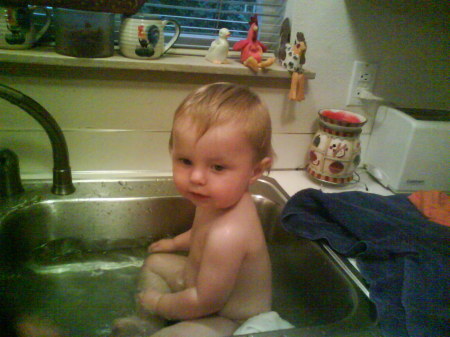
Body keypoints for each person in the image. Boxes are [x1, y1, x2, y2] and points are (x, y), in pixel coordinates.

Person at [113, 82, 274, 337]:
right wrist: (176, 243)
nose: (197, 177)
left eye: (218, 167)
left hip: (229, 319)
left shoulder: (229, 234)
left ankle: (155, 324)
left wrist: (159, 303)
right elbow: (201, 232)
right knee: (155, 263)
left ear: (255, 171)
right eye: (186, 161)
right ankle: (145, 323)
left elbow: (205, 301)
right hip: (198, 283)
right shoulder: (216, 198)